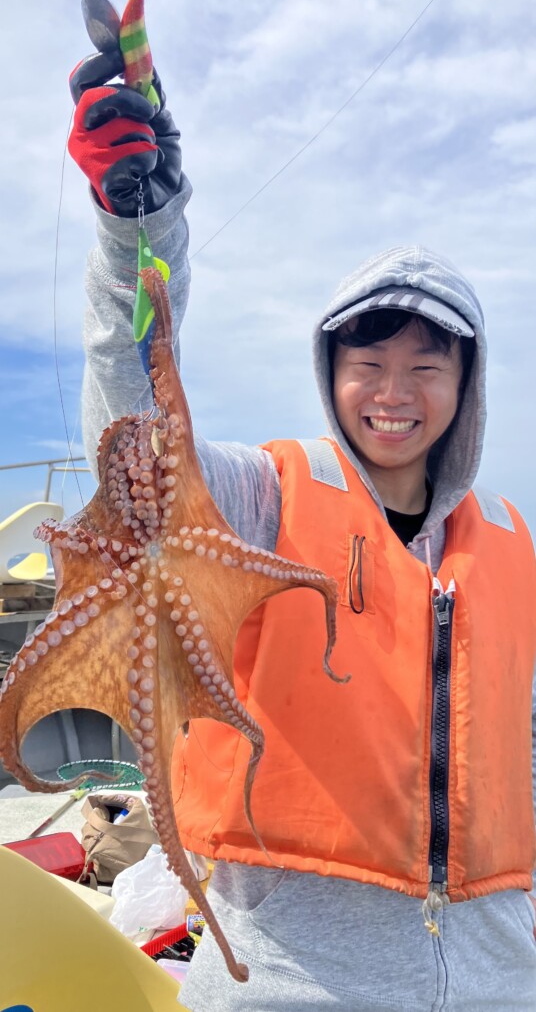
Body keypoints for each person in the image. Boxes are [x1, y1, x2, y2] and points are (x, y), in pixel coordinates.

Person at [68, 50, 536, 1011]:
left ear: (468, 383)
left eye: (427, 366)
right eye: (368, 361)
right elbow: (134, 431)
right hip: (292, 969)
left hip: (499, 964)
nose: (394, 394)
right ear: (331, 372)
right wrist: (136, 233)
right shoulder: (265, 495)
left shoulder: (512, 539)